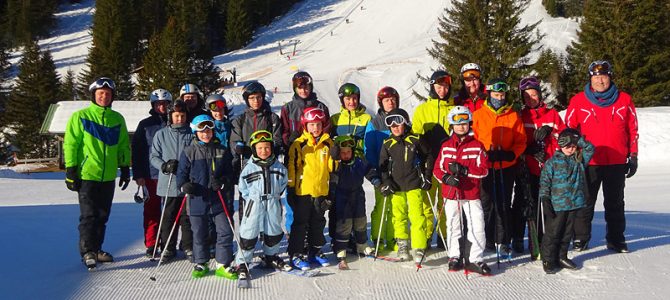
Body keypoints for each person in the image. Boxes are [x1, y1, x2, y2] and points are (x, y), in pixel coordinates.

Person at [564, 60, 638, 253]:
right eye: (595, 77)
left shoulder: (624, 100)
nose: (599, 80)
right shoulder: (578, 101)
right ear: (590, 78)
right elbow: (569, 131)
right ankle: (580, 238)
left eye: (603, 76)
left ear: (610, 76)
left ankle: (616, 239)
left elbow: (633, 129)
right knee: (585, 201)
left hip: (616, 160)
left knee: (615, 202)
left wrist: (634, 155)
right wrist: (573, 153)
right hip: (589, 161)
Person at [63, 77, 131, 270]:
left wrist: (125, 168)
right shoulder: (81, 116)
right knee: (89, 216)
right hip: (87, 175)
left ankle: (97, 249)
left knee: (102, 215)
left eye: (108, 94)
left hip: (108, 176)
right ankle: (87, 252)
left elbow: (123, 145)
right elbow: (71, 144)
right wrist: (71, 170)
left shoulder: (117, 119)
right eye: (100, 93)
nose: (104, 97)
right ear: (93, 95)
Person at [472, 78, 527, 257]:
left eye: (502, 94)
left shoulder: (513, 115)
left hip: (506, 164)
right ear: (489, 94)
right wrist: (484, 154)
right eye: (496, 94)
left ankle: (504, 240)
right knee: (486, 202)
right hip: (486, 165)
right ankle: (486, 239)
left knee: (503, 203)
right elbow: (474, 140)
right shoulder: (479, 114)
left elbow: (521, 141)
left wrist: (512, 153)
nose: (500, 97)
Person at [510, 76, 565, 256]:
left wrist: (551, 134)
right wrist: (529, 148)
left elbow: (564, 140)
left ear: (540, 95)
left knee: (547, 205)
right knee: (523, 203)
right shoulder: (520, 116)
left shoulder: (552, 115)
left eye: (533, 95)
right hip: (526, 168)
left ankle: (546, 239)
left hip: (548, 168)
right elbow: (516, 140)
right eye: (526, 96)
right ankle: (518, 237)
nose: (530, 99)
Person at [177, 115, 237, 279]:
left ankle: (222, 264)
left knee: (225, 231)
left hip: (218, 200)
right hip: (197, 201)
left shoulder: (222, 150)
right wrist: (184, 185)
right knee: (199, 233)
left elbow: (229, 174)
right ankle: (201, 262)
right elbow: (181, 175)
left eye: (208, 130)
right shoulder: (189, 152)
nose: (206, 134)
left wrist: (223, 182)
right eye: (202, 131)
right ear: (195, 132)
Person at [433, 106, 490, 275]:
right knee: (452, 225)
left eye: (465, 123)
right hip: (451, 194)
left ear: (469, 124)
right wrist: (446, 178)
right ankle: (454, 256)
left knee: (476, 225)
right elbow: (437, 169)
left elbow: (484, 170)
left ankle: (475, 258)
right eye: (457, 124)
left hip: (471, 193)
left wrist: (465, 171)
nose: (461, 127)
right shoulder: (446, 146)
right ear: (451, 125)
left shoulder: (477, 146)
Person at [235, 130, 292, 280]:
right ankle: (243, 263)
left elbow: (283, 183)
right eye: (260, 148)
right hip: (254, 203)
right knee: (249, 234)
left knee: (273, 232)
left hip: (272, 201)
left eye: (267, 147)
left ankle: (271, 256)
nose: (264, 151)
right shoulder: (249, 167)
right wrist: (252, 199)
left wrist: (274, 195)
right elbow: (243, 188)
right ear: (254, 149)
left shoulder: (278, 167)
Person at [287, 107, 337, 270]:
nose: (315, 128)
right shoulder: (299, 144)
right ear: (305, 126)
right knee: (300, 223)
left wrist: (335, 155)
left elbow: (332, 168)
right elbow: (292, 167)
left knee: (318, 222)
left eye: (318, 124)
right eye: (311, 125)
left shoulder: (328, 143)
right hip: (303, 192)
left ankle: (315, 251)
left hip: (320, 191)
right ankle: (296, 253)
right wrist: (291, 188)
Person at [379, 108, 432, 262]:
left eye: (398, 122)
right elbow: (382, 165)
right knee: (399, 216)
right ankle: (402, 244)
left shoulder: (415, 139)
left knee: (417, 216)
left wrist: (427, 177)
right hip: (396, 187)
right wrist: (386, 182)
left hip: (414, 183)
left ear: (406, 123)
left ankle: (419, 246)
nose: (395, 126)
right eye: (391, 123)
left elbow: (429, 155)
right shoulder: (387, 143)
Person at [539, 129, 594, 274]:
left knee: (567, 233)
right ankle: (548, 259)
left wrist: (577, 139)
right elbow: (545, 182)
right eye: (568, 146)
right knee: (553, 233)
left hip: (574, 203)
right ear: (561, 145)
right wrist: (545, 199)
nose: (571, 149)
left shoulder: (579, 160)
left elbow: (590, 148)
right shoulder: (552, 162)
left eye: (574, 146)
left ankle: (561, 256)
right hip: (557, 205)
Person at [229, 81, 284, 224]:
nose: (256, 101)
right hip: (248, 165)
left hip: (268, 166)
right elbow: (234, 139)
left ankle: (267, 234)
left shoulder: (272, 118)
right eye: (252, 98)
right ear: (247, 99)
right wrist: (237, 147)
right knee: (248, 201)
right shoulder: (240, 120)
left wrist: (272, 150)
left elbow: (277, 139)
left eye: (258, 97)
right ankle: (246, 231)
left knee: (268, 201)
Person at [412, 70, 455, 249]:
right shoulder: (422, 109)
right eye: (439, 87)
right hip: (428, 163)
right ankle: (428, 235)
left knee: (444, 202)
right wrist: (424, 145)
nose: (442, 90)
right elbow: (415, 134)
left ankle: (444, 235)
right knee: (426, 203)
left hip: (447, 163)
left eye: (445, 87)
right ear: (432, 87)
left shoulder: (454, 109)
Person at [150, 100, 194, 263]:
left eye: (182, 115)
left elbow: (195, 153)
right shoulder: (161, 134)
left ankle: (188, 246)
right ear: (170, 116)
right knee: (168, 216)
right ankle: (168, 246)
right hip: (168, 181)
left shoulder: (191, 133)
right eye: (176, 116)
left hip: (186, 181)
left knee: (187, 216)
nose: (179, 119)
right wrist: (164, 165)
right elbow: (154, 156)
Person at [329, 82, 372, 246]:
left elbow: (368, 141)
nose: (351, 102)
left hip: (356, 164)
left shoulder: (366, 118)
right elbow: (329, 141)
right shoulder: (336, 118)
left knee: (356, 201)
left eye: (354, 98)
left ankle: (356, 238)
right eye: (348, 99)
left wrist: (354, 145)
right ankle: (338, 239)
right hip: (339, 166)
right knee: (337, 204)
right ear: (342, 100)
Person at [132, 88, 171, 257]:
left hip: (172, 174)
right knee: (152, 210)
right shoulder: (145, 124)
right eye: (158, 104)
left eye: (165, 103)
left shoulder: (175, 121)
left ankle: (168, 242)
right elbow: (137, 150)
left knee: (170, 210)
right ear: (153, 105)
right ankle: (152, 243)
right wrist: (138, 174)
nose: (162, 107)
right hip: (151, 173)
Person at [332, 135, 380, 269]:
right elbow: (331, 179)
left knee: (361, 220)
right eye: (343, 153)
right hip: (342, 196)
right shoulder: (337, 165)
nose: (346, 155)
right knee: (344, 223)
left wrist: (375, 179)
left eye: (348, 152)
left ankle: (361, 245)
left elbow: (369, 170)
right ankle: (341, 249)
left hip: (358, 194)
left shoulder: (358, 161)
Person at [364, 87, 399, 252]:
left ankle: (392, 237)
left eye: (393, 99)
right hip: (381, 171)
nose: (390, 103)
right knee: (381, 205)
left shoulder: (402, 119)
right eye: (387, 100)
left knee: (397, 207)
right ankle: (378, 236)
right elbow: (369, 149)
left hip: (399, 173)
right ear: (381, 103)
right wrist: (374, 172)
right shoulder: (375, 123)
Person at [280, 71, 331, 148]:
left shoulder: (321, 107)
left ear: (311, 88)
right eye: (300, 88)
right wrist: (288, 142)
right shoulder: (287, 109)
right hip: (294, 149)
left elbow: (327, 129)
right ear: (295, 89)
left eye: (306, 88)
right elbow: (284, 130)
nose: (303, 91)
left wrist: (321, 141)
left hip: (315, 150)